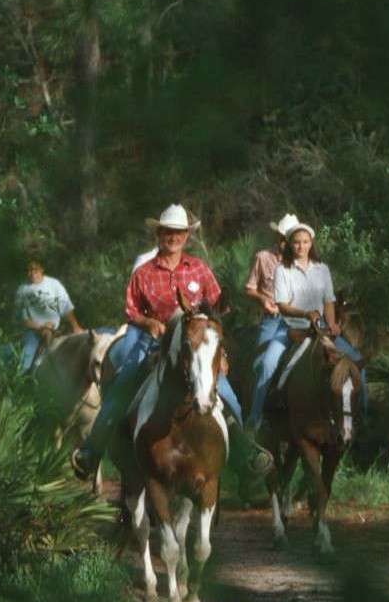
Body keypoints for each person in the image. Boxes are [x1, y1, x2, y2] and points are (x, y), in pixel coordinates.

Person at [70, 204, 269, 481]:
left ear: (187, 236)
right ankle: (92, 452)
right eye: (167, 232)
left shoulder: (199, 269)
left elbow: (217, 310)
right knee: (124, 383)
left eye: (179, 233)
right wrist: (149, 323)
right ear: (158, 235)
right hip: (153, 339)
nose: (173, 238)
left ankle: (245, 452)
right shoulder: (143, 272)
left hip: (194, 343)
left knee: (226, 393)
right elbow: (130, 311)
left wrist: (217, 352)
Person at [248, 218, 367, 429]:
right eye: (296, 242)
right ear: (289, 244)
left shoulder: (322, 270)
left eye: (304, 242)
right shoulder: (282, 270)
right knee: (267, 364)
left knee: (357, 362)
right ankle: (256, 418)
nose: (300, 246)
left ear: (311, 243)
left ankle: (361, 419)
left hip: (321, 330)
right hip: (291, 328)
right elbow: (282, 305)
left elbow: (328, 301)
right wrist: (305, 313)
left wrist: (331, 323)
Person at [13, 257, 83, 373]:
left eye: (35, 270)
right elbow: (23, 319)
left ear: (42, 270)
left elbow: (66, 307)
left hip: (54, 329)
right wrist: (41, 327)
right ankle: (19, 381)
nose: (32, 274)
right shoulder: (22, 290)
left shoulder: (54, 284)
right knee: (26, 359)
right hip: (32, 331)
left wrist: (75, 327)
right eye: (29, 271)